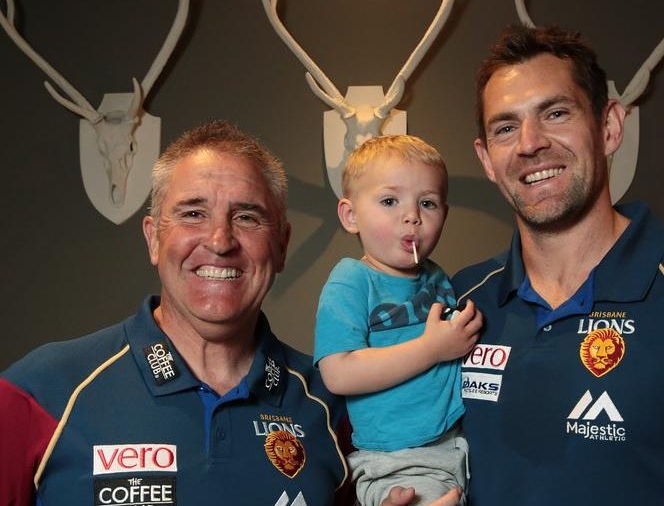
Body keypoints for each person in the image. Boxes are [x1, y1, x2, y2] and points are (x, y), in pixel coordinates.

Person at [446, 24, 664, 505]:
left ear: (609, 126)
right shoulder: (462, 300)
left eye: (555, 113)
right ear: (487, 159)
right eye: (505, 128)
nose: (530, 143)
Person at [0, 120, 351, 506]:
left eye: (247, 217)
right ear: (153, 238)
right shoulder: (40, 391)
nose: (220, 241)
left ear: (281, 246)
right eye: (193, 214)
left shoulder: (335, 404)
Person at [313, 135, 482, 505]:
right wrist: (431, 349)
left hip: (456, 444)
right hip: (397, 460)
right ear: (351, 216)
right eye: (390, 201)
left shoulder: (437, 278)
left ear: (445, 215)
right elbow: (338, 373)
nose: (412, 216)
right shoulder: (351, 281)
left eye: (427, 203)